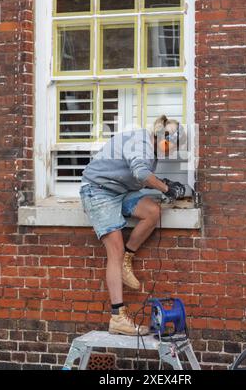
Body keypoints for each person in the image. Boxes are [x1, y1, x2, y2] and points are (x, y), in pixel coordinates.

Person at [79, 115, 187, 336]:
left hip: (119, 190)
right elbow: (141, 173)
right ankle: (117, 317)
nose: (174, 150)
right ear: (164, 138)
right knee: (114, 250)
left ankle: (128, 258)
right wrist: (165, 188)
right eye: (174, 144)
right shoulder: (142, 142)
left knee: (152, 212)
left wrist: (163, 184)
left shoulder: (150, 147)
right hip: (98, 190)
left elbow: (140, 174)